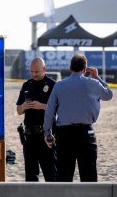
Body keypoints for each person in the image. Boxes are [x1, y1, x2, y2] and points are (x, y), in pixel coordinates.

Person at [43, 53, 113, 182]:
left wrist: (48, 133)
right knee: (89, 178)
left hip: (64, 134)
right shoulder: (94, 83)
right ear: (85, 69)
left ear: (70, 68)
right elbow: (109, 95)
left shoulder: (59, 86)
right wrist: (97, 77)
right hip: (86, 132)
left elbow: (50, 111)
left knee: (63, 177)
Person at [16, 57, 57, 181]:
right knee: (30, 176)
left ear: (44, 69)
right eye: (31, 71)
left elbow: (59, 109)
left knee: (50, 174)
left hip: (46, 136)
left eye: (37, 72)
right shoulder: (27, 84)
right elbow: (18, 111)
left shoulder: (52, 85)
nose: (34, 74)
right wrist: (23, 106)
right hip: (29, 137)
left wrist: (42, 106)